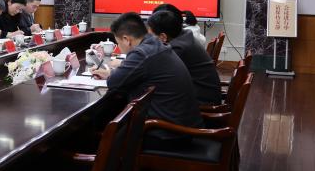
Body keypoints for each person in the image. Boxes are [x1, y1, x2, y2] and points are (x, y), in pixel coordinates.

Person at [91, 12, 202, 149]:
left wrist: (111, 75)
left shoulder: (142, 53)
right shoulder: (154, 43)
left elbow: (114, 83)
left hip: (168, 135)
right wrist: (110, 73)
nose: (119, 47)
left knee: (101, 128)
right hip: (182, 127)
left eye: (118, 43)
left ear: (126, 39)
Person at [147, 9, 222, 105]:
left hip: (201, 102)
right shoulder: (185, 36)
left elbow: (155, 75)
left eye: (150, 35)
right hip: (204, 94)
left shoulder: (178, 48)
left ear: (163, 37)